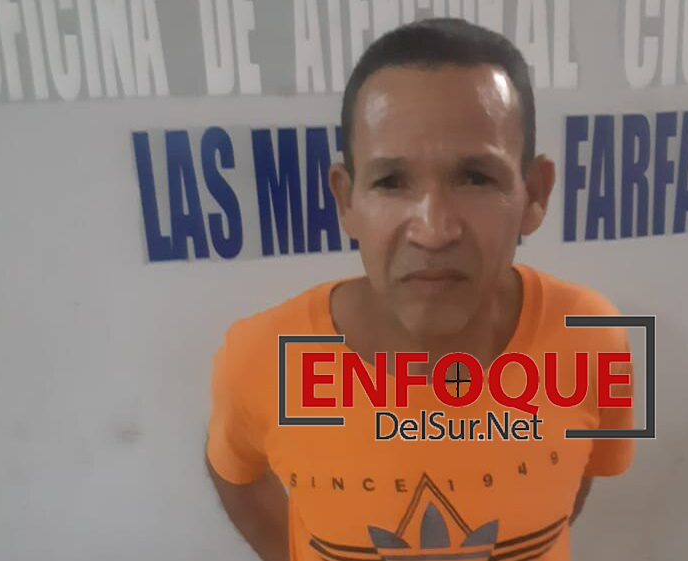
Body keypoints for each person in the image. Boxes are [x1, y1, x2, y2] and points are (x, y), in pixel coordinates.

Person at [205, 18, 634, 561]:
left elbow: (574, 484)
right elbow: (233, 472)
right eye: (390, 181)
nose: (434, 231)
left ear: (534, 194)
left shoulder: (596, 337)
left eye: (475, 177)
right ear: (346, 200)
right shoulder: (261, 356)